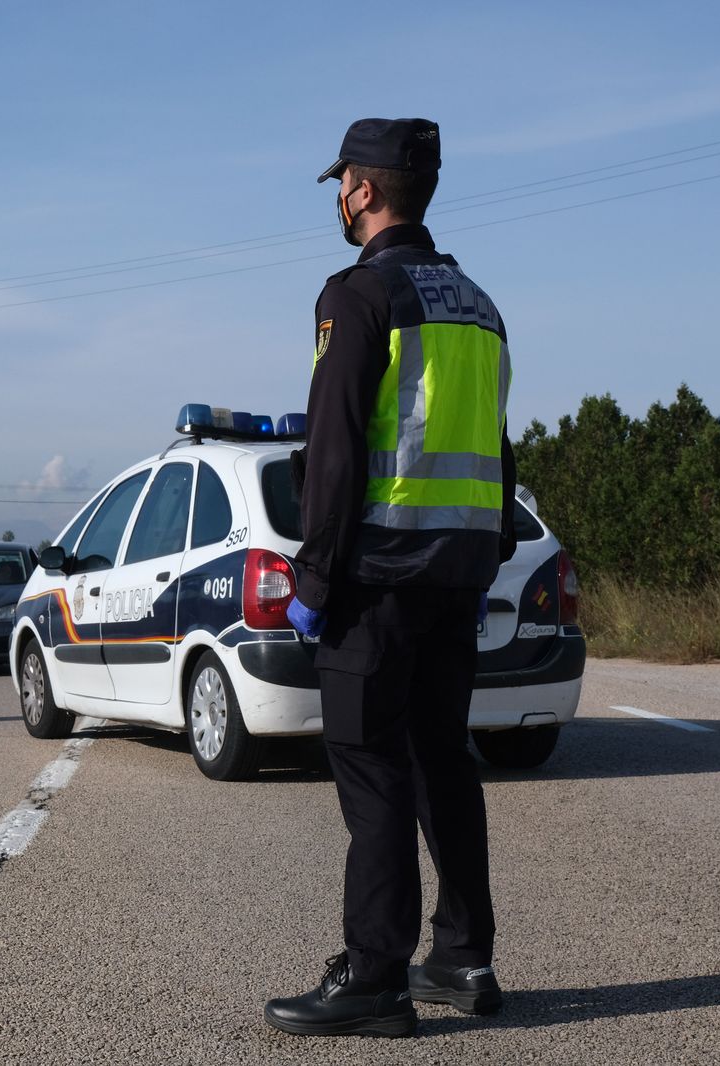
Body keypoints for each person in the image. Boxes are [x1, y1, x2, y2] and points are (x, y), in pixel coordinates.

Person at [263, 118, 517, 1038]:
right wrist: (481, 557)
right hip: (458, 576)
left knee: (372, 775)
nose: (339, 197)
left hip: (376, 579)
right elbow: (497, 447)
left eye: (342, 184)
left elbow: (332, 457)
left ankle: (375, 977)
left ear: (364, 191)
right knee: (444, 762)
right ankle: (463, 958)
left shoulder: (357, 296)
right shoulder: (481, 305)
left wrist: (315, 581)